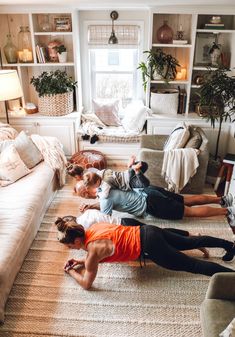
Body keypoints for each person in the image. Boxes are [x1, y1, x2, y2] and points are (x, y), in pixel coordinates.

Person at [55, 216, 235, 290]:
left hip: (150, 246)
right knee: (191, 242)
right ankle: (229, 245)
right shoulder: (95, 227)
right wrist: (81, 262)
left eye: (70, 246)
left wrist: (71, 271)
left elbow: (87, 283)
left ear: (77, 241)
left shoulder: (92, 252)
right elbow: (104, 252)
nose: (71, 249)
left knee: (192, 265)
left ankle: (232, 277)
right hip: (147, 230)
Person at [77, 181, 235, 226]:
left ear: (85, 192)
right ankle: (221, 199)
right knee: (187, 200)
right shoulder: (105, 184)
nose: (84, 198)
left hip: (152, 204)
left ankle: (228, 212)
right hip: (149, 191)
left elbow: (105, 219)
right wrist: (91, 206)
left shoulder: (104, 199)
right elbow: (109, 202)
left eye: (82, 195)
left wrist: (90, 211)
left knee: (190, 212)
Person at [77, 209, 209, 258]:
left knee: (162, 244)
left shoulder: (82, 229)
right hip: (125, 221)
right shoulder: (87, 213)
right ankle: (191, 236)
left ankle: (193, 242)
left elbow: (92, 249)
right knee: (162, 233)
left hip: (123, 230)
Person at [67, 156, 150, 197]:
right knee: (144, 165)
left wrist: (97, 193)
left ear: (77, 176)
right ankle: (131, 166)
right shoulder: (96, 170)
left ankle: (136, 171)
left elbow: (104, 195)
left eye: (75, 177)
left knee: (145, 184)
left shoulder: (104, 184)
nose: (76, 179)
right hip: (125, 174)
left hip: (128, 183)